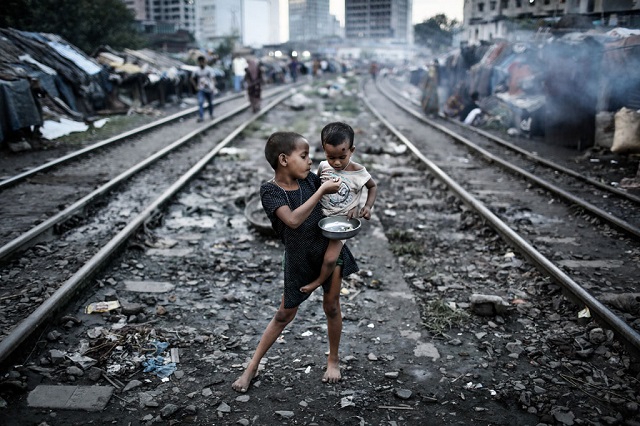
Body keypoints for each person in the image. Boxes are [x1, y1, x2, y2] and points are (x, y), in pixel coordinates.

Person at [232, 132, 359, 393]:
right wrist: (322, 189)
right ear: (283, 160)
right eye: (304, 156)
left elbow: (339, 194)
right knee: (283, 314)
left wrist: (352, 203)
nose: (310, 161)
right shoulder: (270, 191)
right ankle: (252, 367)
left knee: (332, 307)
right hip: (298, 259)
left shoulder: (311, 180)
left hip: (327, 250)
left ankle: (333, 360)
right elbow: (292, 220)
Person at [300, 122, 377, 295]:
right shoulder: (322, 166)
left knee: (330, 258)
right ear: (324, 150)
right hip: (319, 217)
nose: (335, 163)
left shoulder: (359, 172)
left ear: (352, 150)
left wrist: (366, 206)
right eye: (330, 157)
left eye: (342, 158)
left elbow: (373, 187)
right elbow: (316, 186)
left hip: (341, 223)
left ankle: (317, 282)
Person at [191, 55, 216, 122]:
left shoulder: (209, 70)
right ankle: (201, 117)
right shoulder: (196, 70)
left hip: (209, 89)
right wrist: (195, 86)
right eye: (200, 61)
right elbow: (192, 78)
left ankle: (211, 114)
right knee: (200, 102)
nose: (201, 63)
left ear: (204, 62)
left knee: (210, 103)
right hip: (201, 89)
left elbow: (213, 79)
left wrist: (213, 87)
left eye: (202, 61)